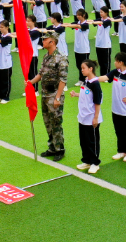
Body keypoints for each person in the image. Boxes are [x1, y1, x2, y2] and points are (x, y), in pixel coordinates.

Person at [27, 30, 68, 161]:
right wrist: (31, 82)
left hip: (54, 94)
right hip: (45, 94)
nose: (42, 41)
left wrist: (57, 98)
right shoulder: (46, 57)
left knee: (56, 122)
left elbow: (63, 79)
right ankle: (52, 147)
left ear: (52, 42)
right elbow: (41, 73)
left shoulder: (61, 58)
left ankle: (60, 149)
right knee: (47, 122)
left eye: (45, 39)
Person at [70, 59, 103, 174]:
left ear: (90, 69)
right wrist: (76, 95)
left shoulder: (95, 84)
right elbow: (86, 95)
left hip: (91, 118)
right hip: (82, 117)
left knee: (92, 141)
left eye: (83, 68)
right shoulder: (86, 81)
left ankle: (95, 163)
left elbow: (97, 102)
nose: (82, 70)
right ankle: (87, 160)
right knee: (83, 141)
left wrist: (96, 117)